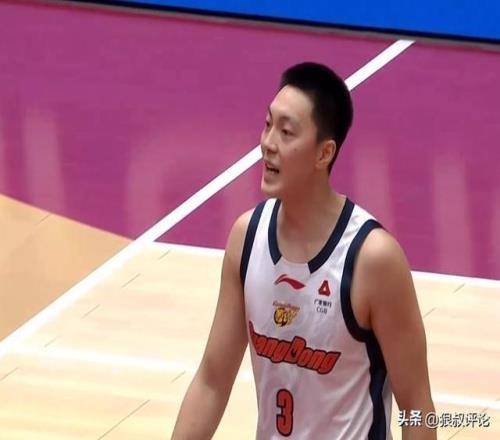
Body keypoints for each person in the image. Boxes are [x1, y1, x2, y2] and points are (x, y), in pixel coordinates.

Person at [171, 62, 436, 439]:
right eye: (267, 125)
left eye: (286, 132)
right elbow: (212, 381)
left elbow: (416, 404)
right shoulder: (247, 238)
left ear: (323, 154)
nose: (268, 143)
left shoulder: (373, 259)